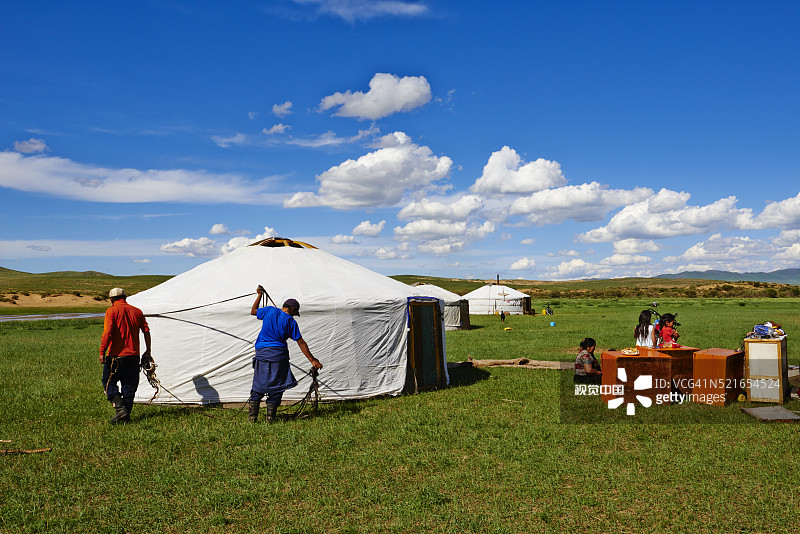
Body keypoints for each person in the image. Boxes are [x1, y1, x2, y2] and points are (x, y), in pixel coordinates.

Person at [249, 286, 322, 423]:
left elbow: (253, 311)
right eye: (295, 313)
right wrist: (313, 360)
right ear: (292, 309)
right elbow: (300, 342)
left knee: (259, 383)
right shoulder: (290, 321)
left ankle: (252, 418)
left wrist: (259, 295)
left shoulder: (269, 310)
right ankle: (270, 417)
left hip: (262, 354)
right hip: (279, 356)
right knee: (277, 385)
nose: (295, 316)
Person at [99, 287, 151, 424]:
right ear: (125, 297)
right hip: (134, 355)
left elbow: (107, 333)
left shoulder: (111, 311)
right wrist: (148, 351)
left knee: (108, 382)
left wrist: (102, 351)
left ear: (111, 299)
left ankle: (121, 408)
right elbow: (146, 331)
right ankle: (125, 417)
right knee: (129, 385)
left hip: (116, 356)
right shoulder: (137, 311)